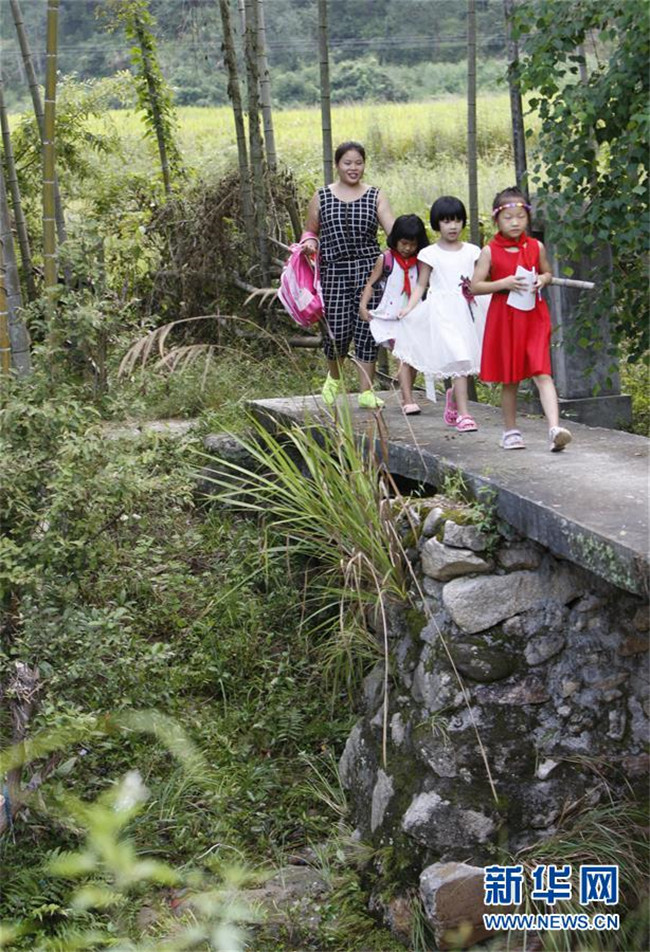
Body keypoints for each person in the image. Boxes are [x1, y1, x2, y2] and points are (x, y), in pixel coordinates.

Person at [471, 186, 572, 452]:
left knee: (542, 371)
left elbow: (547, 272)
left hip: (534, 317)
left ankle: (554, 429)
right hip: (505, 319)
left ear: (528, 217)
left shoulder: (536, 246)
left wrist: (543, 279)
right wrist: (502, 283)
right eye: (508, 218)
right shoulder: (489, 251)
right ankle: (510, 431)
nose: (515, 222)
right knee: (511, 377)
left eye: (520, 216)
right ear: (497, 219)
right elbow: (475, 286)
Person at [302, 141, 395, 408]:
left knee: (367, 329)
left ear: (364, 165)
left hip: (369, 271)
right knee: (338, 330)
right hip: (333, 271)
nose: (353, 168)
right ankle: (334, 378)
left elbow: (393, 231)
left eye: (358, 163)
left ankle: (366, 391)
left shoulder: (375, 195)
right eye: (347, 163)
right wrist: (310, 243)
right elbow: (310, 231)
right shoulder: (322, 196)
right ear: (337, 165)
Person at [382, 196, 488, 429]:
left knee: (466, 359)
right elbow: (421, 285)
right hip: (443, 312)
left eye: (457, 221)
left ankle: (453, 400)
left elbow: (479, 281)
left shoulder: (473, 251)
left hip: (468, 310)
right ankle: (464, 415)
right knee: (459, 357)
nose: (453, 226)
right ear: (437, 224)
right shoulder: (429, 253)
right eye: (447, 221)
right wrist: (409, 308)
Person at [358, 214, 429, 415]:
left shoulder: (421, 262)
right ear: (395, 239)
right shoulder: (386, 259)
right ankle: (408, 400)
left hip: (414, 316)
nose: (408, 248)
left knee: (412, 360)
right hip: (391, 317)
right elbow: (371, 284)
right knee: (402, 356)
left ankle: (406, 393)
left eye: (412, 244)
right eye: (404, 243)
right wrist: (363, 306)